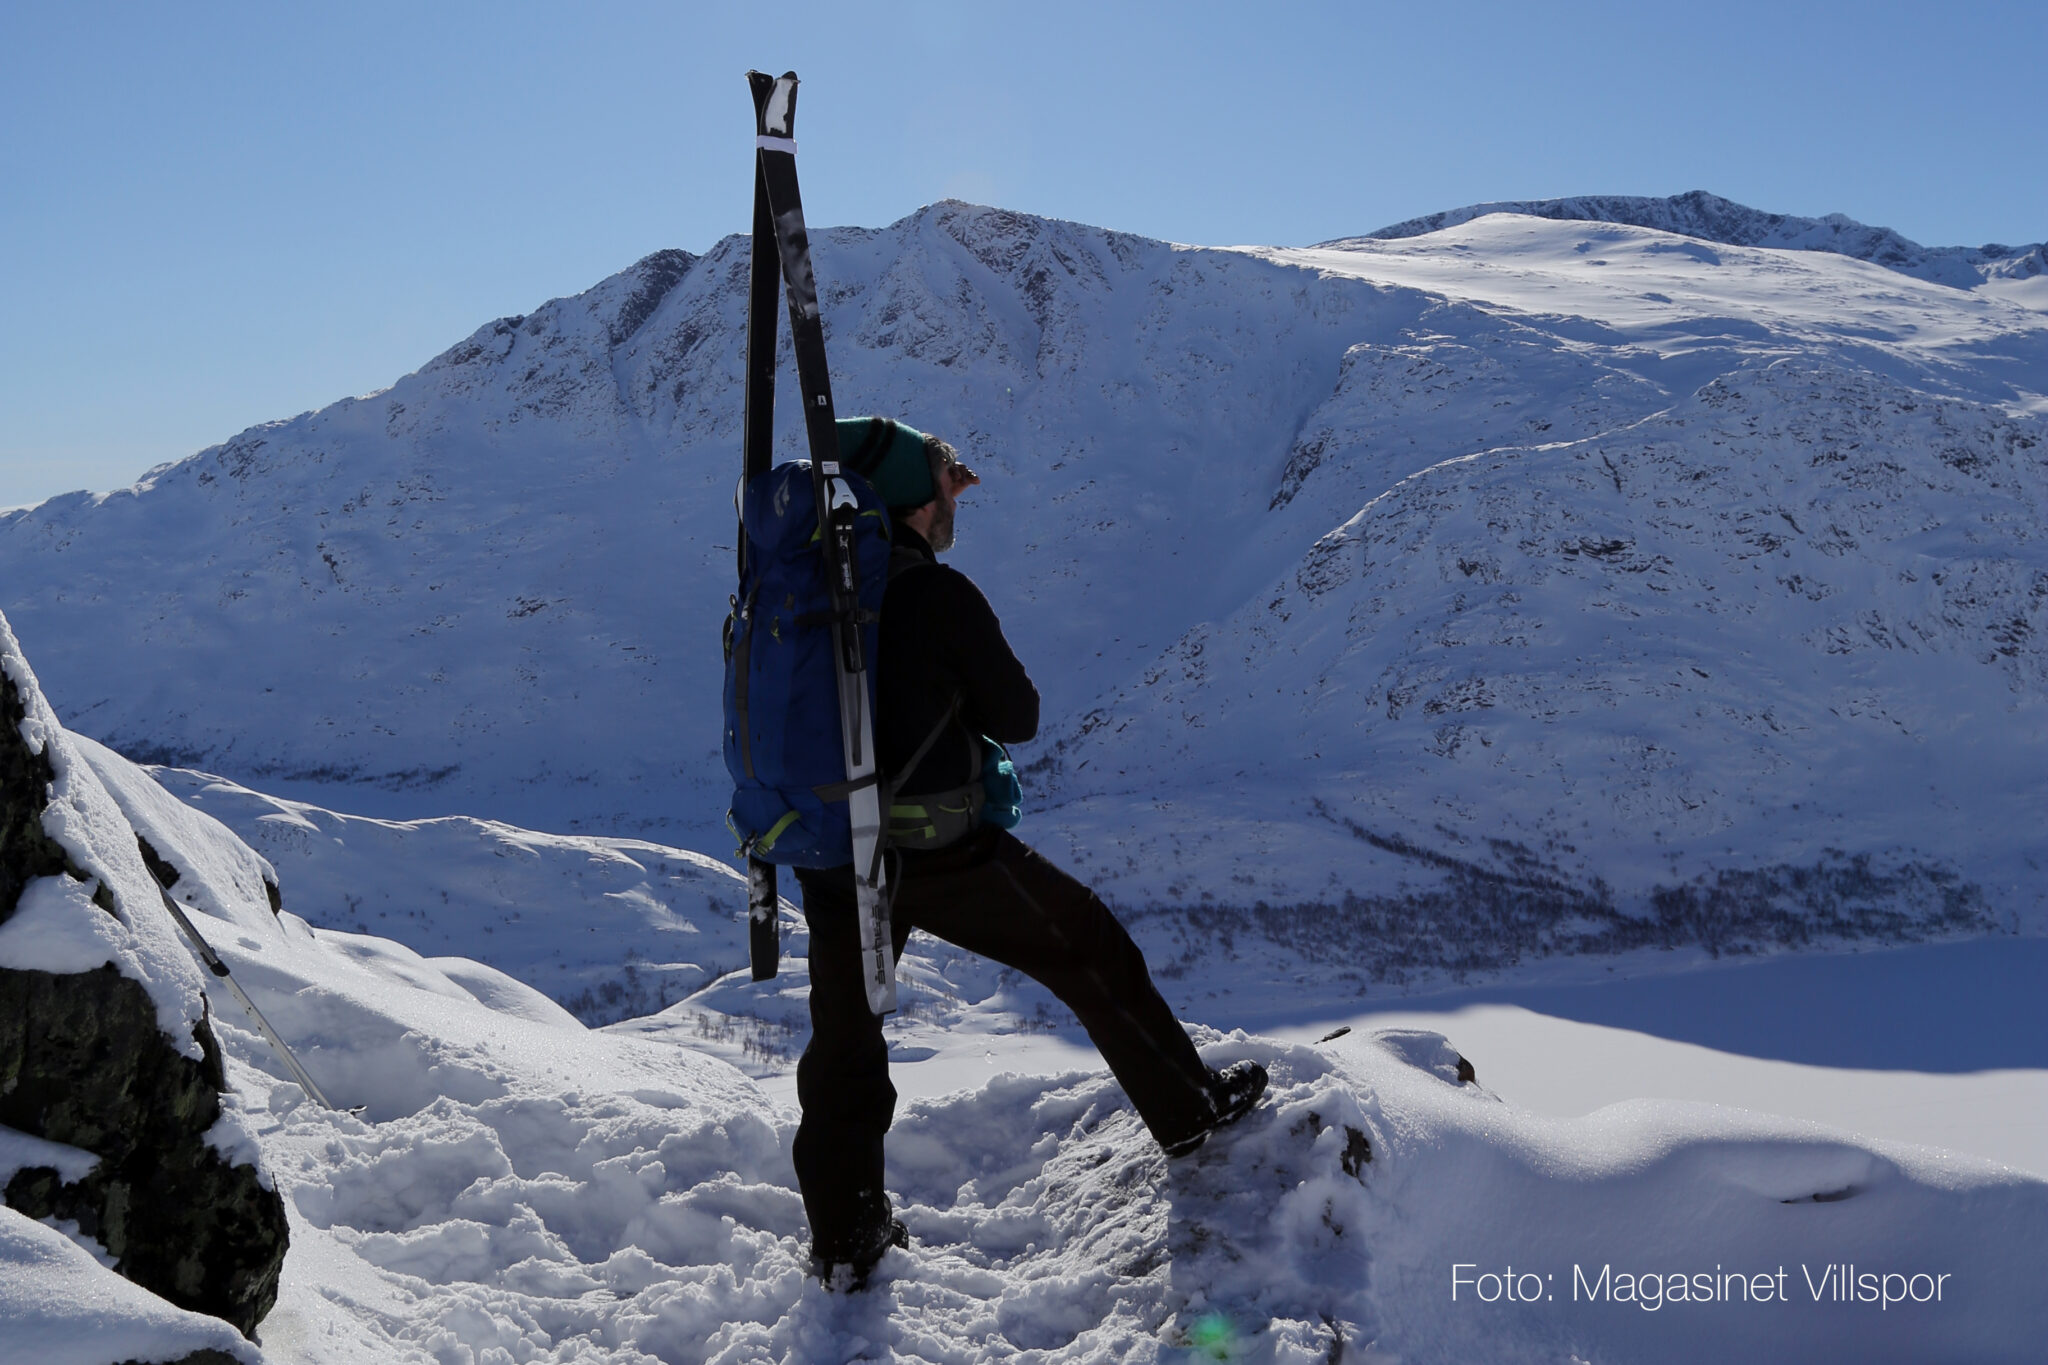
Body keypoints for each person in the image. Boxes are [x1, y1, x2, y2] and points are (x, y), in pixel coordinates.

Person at [792, 416, 1268, 1290]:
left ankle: (845, 1239)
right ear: (914, 501)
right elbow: (1018, 713)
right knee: (1084, 940)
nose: (956, 504)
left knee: (846, 1041)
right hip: (935, 849)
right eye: (947, 488)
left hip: (829, 849)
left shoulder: (809, 583)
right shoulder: (935, 593)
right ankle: (1189, 1109)